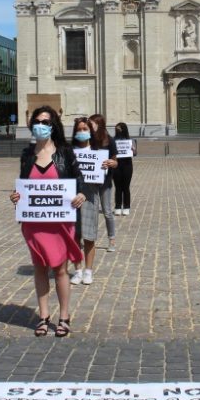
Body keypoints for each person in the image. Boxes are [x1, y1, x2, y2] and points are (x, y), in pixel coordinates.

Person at [9, 106, 85, 337]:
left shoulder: (66, 152)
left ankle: (64, 316)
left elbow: (77, 180)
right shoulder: (27, 154)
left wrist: (80, 194)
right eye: (37, 121)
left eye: (45, 121)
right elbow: (24, 185)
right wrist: (16, 196)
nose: (40, 125)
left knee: (60, 269)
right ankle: (43, 316)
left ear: (53, 126)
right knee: (39, 267)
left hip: (60, 221)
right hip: (35, 222)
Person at [70, 117, 112, 284]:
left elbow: (102, 177)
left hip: (90, 196)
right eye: (79, 129)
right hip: (71, 198)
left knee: (89, 235)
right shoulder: (69, 151)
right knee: (74, 236)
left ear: (91, 131)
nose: (82, 132)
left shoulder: (98, 151)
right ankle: (77, 269)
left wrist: (106, 167)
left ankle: (88, 270)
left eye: (85, 129)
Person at [84, 114, 118, 253]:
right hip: (90, 182)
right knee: (89, 212)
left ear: (99, 124)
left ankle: (112, 239)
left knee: (107, 211)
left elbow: (116, 161)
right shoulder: (88, 140)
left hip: (105, 182)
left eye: (92, 124)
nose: (90, 126)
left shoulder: (109, 140)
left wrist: (112, 163)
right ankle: (89, 239)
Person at [112, 122, 136, 223]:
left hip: (127, 165)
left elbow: (134, 154)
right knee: (118, 187)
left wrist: (133, 150)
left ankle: (126, 207)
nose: (119, 131)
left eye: (120, 129)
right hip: (116, 165)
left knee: (126, 187)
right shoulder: (112, 140)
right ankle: (117, 206)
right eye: (117, 129)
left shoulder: (131, 141)